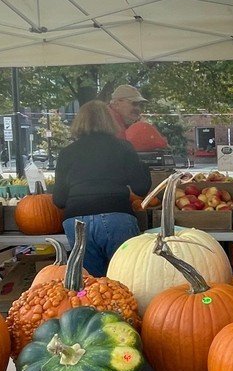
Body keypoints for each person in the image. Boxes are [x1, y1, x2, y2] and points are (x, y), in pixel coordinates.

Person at [52, 101, 151, 277]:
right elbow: (141, 188)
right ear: (110, 121)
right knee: (126, 278)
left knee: (90, 286)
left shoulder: (67, 153)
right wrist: (143, 166)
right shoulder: (123, 148)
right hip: (117, 216)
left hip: (76, 222)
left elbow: (59, 200)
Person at [109, 84, 169, 152]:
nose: (138, 108)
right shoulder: (106, 123)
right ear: (117, 104)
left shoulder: (121, 122)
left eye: (140, 105)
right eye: (134, 103)